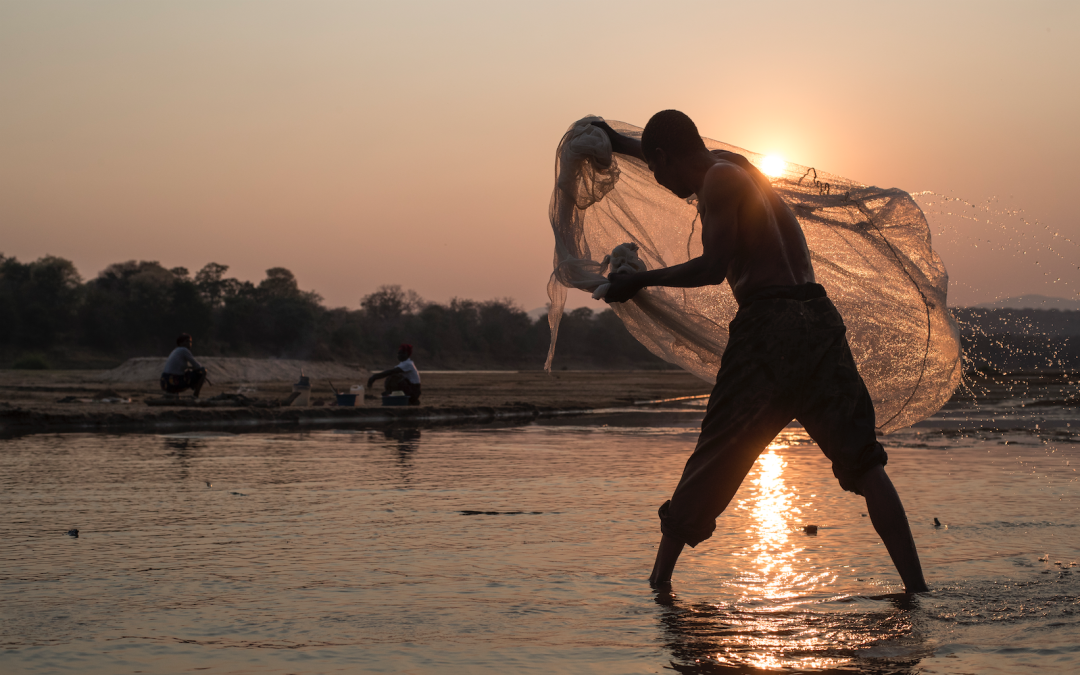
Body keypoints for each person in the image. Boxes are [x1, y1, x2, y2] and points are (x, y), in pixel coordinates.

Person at [592, 111, 928, 593]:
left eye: (656, 168)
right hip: (819, 323)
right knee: (863, 464)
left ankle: (658, 586)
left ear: (665, 156)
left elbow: (713, 267)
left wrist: (639, 280)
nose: (660, 182)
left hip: (770, 330)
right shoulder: (737, 166)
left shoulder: (718, 183)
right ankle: (917, 592)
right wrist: (615, 142)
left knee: (715, 454)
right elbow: (669, 155)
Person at [160, 333, 208, 398]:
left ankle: (174, 395)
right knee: (203, 371)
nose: (189, 344)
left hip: (164, 381)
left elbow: (179, 367)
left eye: (190, 342)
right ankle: (196, 396)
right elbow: (197, 366)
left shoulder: (175, 351)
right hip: (173, 382)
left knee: (181, 374)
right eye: (187, 341)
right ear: (180, 343)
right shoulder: (184, 350)